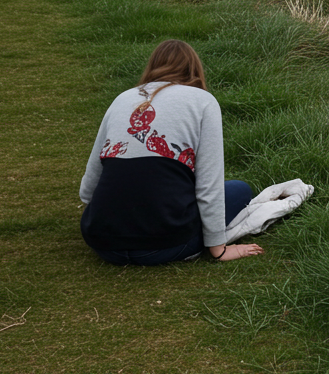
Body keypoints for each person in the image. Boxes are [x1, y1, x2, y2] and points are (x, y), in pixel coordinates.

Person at [79, 39, 264, 266]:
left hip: (103, 242)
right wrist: (218, 248)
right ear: (194, 69)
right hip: (167, 245)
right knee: (239, 189)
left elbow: (88, 189)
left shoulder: (122, 98)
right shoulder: (204, 101)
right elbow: (209, 185)